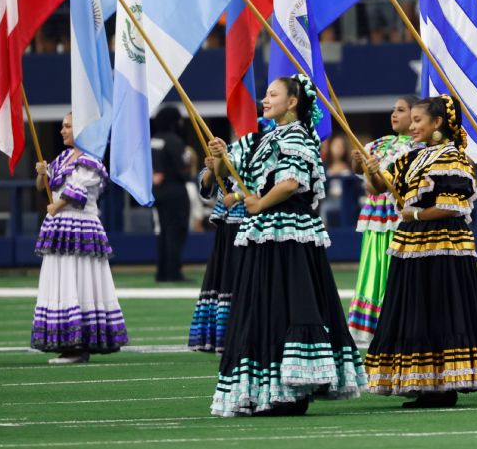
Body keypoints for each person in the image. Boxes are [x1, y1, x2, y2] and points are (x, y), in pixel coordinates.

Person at [208, 76, 365, 416]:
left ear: (293, 101)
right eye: (265, 94)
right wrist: (220, 161)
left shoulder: (297, 135)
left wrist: (260, 204)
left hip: (288, 233)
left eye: (273, 94)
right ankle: (271, 391)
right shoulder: (268, 138)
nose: (265, 100)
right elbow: (238, 185)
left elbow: (292, 182)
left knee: (284, 305)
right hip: (265, 232)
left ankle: (292, 392)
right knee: (264, 307)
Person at [362, 95, 477, 407]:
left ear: (437, 123)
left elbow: (452, 205)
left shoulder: (453, 159)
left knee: (439, 308)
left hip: (443, 247)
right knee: (416, 308)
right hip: (412, 244)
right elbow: (380, 186)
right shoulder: (413, 157)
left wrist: (417, 215)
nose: (412, 125)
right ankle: (426, 382)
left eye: (418, 120)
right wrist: (371, 170)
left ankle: (444, 385)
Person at [32, 113, 129, 364]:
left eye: (68, 126)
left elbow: (79, 191)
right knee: (61, 281)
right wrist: (42, 173)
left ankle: (79, 344)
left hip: (80, 226)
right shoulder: (63, 158)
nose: (62, 130)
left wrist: (57, 206)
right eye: (63, 126)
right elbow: (45, 187)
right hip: (60, 228)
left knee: (79, 280)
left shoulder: (91, 160)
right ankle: (68, 342)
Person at [345, 96, 420, 346]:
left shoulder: (418, 147)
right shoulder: (380, 143)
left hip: (400, 213)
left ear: (415, 115)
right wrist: (357, 162)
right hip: (377, 215)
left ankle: (397, 319)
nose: (394, 114)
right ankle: (371, 325)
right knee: (373, 265)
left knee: (393, 265)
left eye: (401, 110)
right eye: (393, 110)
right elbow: (360, 171)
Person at [187, 126, 255, 352]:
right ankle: (225, 336)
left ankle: (248, 333)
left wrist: (236, 196)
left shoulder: (266, 147)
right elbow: (206, 189)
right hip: (227, 226)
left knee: (247, 280)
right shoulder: (229, 149)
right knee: (227, 279)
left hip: (252, 223)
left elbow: (265, 186)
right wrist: (211, 168)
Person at [151, 106, 191, 283]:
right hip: (175, 192)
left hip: (158, 193)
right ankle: (174, 272)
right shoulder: (174, 141)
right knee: (176, 232)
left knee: (163, 232)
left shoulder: (153, 140)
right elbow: (183, 168)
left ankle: (162, 272)